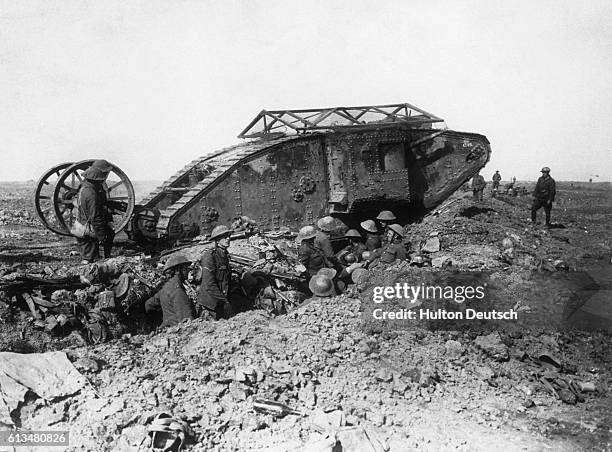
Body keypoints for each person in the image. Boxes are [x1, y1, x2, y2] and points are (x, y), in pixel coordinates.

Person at [76, 159, 115, 263]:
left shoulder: (84, 188)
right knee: (89, 261)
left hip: (79, 227)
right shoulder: (92, 194)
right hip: (87, 231)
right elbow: (95, 217)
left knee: (88, 256)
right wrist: (102, 236)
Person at [144, 254, 195, 327]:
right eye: (185, 269)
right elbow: (187, 322)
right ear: (177, 271)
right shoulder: (178, 292)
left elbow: (148, 304)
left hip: (166, 328)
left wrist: (159, 320)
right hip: (177, 331)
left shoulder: (165, 288)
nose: (188, 271)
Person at [197, 225, 233, 320]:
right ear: (217, 240)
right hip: (211, 304)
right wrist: (225, 301)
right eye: (224, 237)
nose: (228, 238)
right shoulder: (210, 256)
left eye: (228, 236)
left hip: (220, 301)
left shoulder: (224, 255)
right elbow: (209, 284)